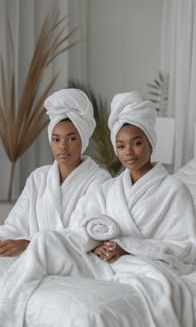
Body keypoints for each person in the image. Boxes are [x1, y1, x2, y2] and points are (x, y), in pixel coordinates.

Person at [1, 91, 196, 326]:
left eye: (137, 143)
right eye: (121, 146)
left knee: (45, 242)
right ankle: (9, 305)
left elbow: (186, 246)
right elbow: (84, 228)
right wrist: (93, 243)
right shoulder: (111, 188)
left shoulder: (173, 189)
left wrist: (126, 248)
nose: (129, 152)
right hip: (100, 256)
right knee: (45, 241)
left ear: (150, 143)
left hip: (133, 260)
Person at [0, 88, 110, 257]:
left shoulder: (99, 180)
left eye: (72, 138)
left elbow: (84, 235)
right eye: (56, 139)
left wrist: (29, 244)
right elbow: (15, 226)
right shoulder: (38, 178)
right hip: (32, 257)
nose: (63, 146)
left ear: (83, 140)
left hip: (75, 259)